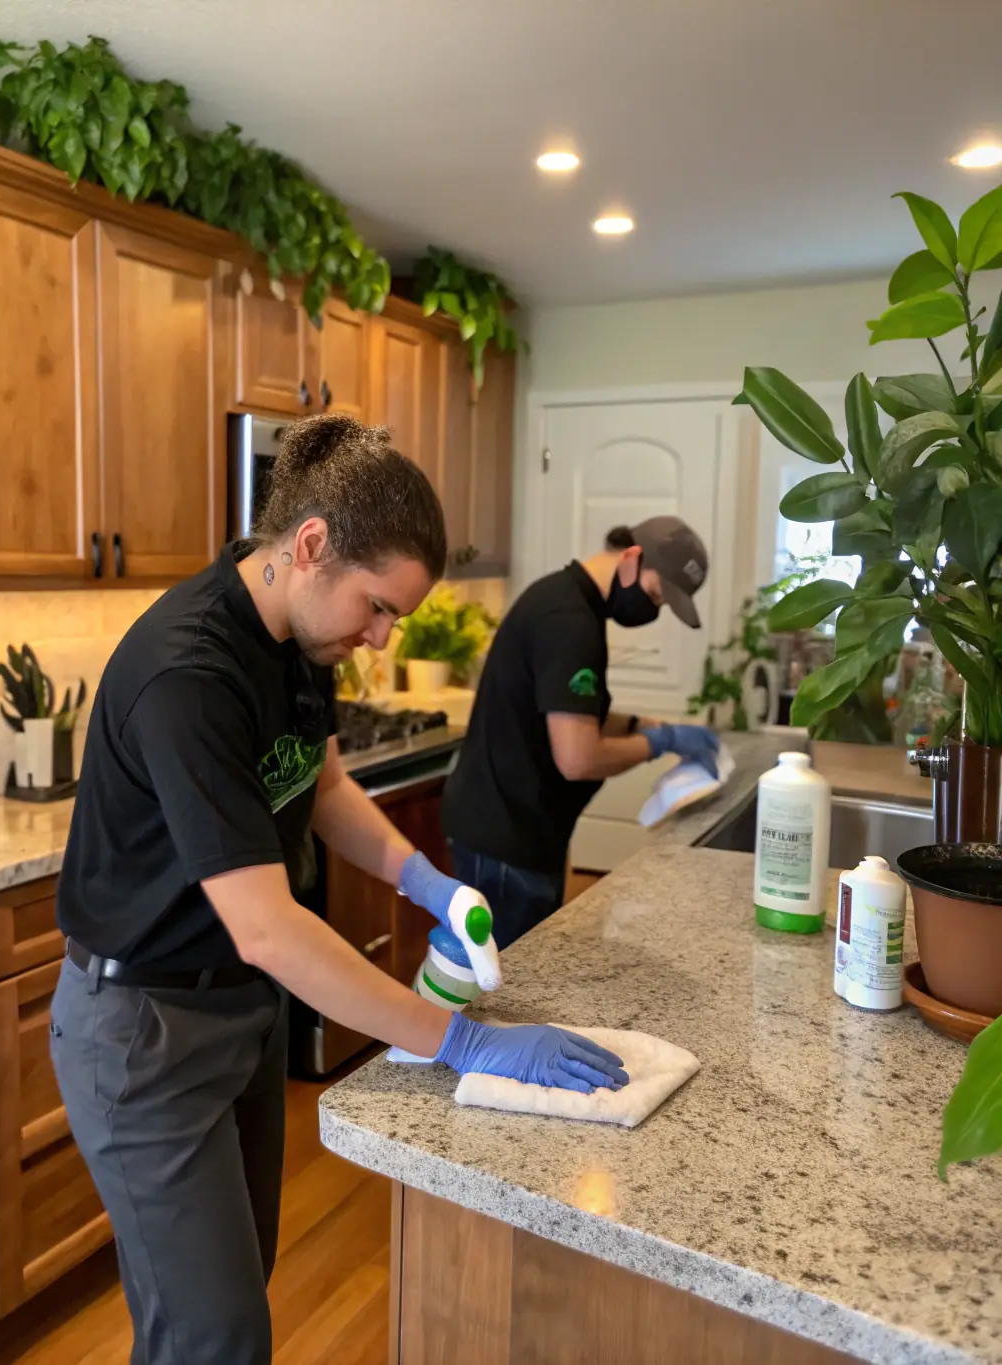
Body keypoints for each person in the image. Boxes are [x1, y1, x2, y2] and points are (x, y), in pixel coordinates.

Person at [50, 415, 628, 1365]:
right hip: (142, 1031)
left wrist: (422, 879)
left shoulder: (298, 637)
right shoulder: (188, 673)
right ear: (310, 546)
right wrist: (467, 1042)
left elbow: (320, 786)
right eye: (377, 606)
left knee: (235, 1293)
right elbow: (269, 929)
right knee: (215, 1331)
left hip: (238, 1013)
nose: (381, 635)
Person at [443, 517, 719, 949]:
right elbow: (578, 758)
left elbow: (571, 712)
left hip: (514, 833)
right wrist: (660, 744)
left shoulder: (569, 604)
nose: (653, 610)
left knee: (513, 982)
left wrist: (652, 726)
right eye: (653, 595)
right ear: (632, 557)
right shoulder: (568, 623)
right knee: (504, 994)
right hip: (505, 845)